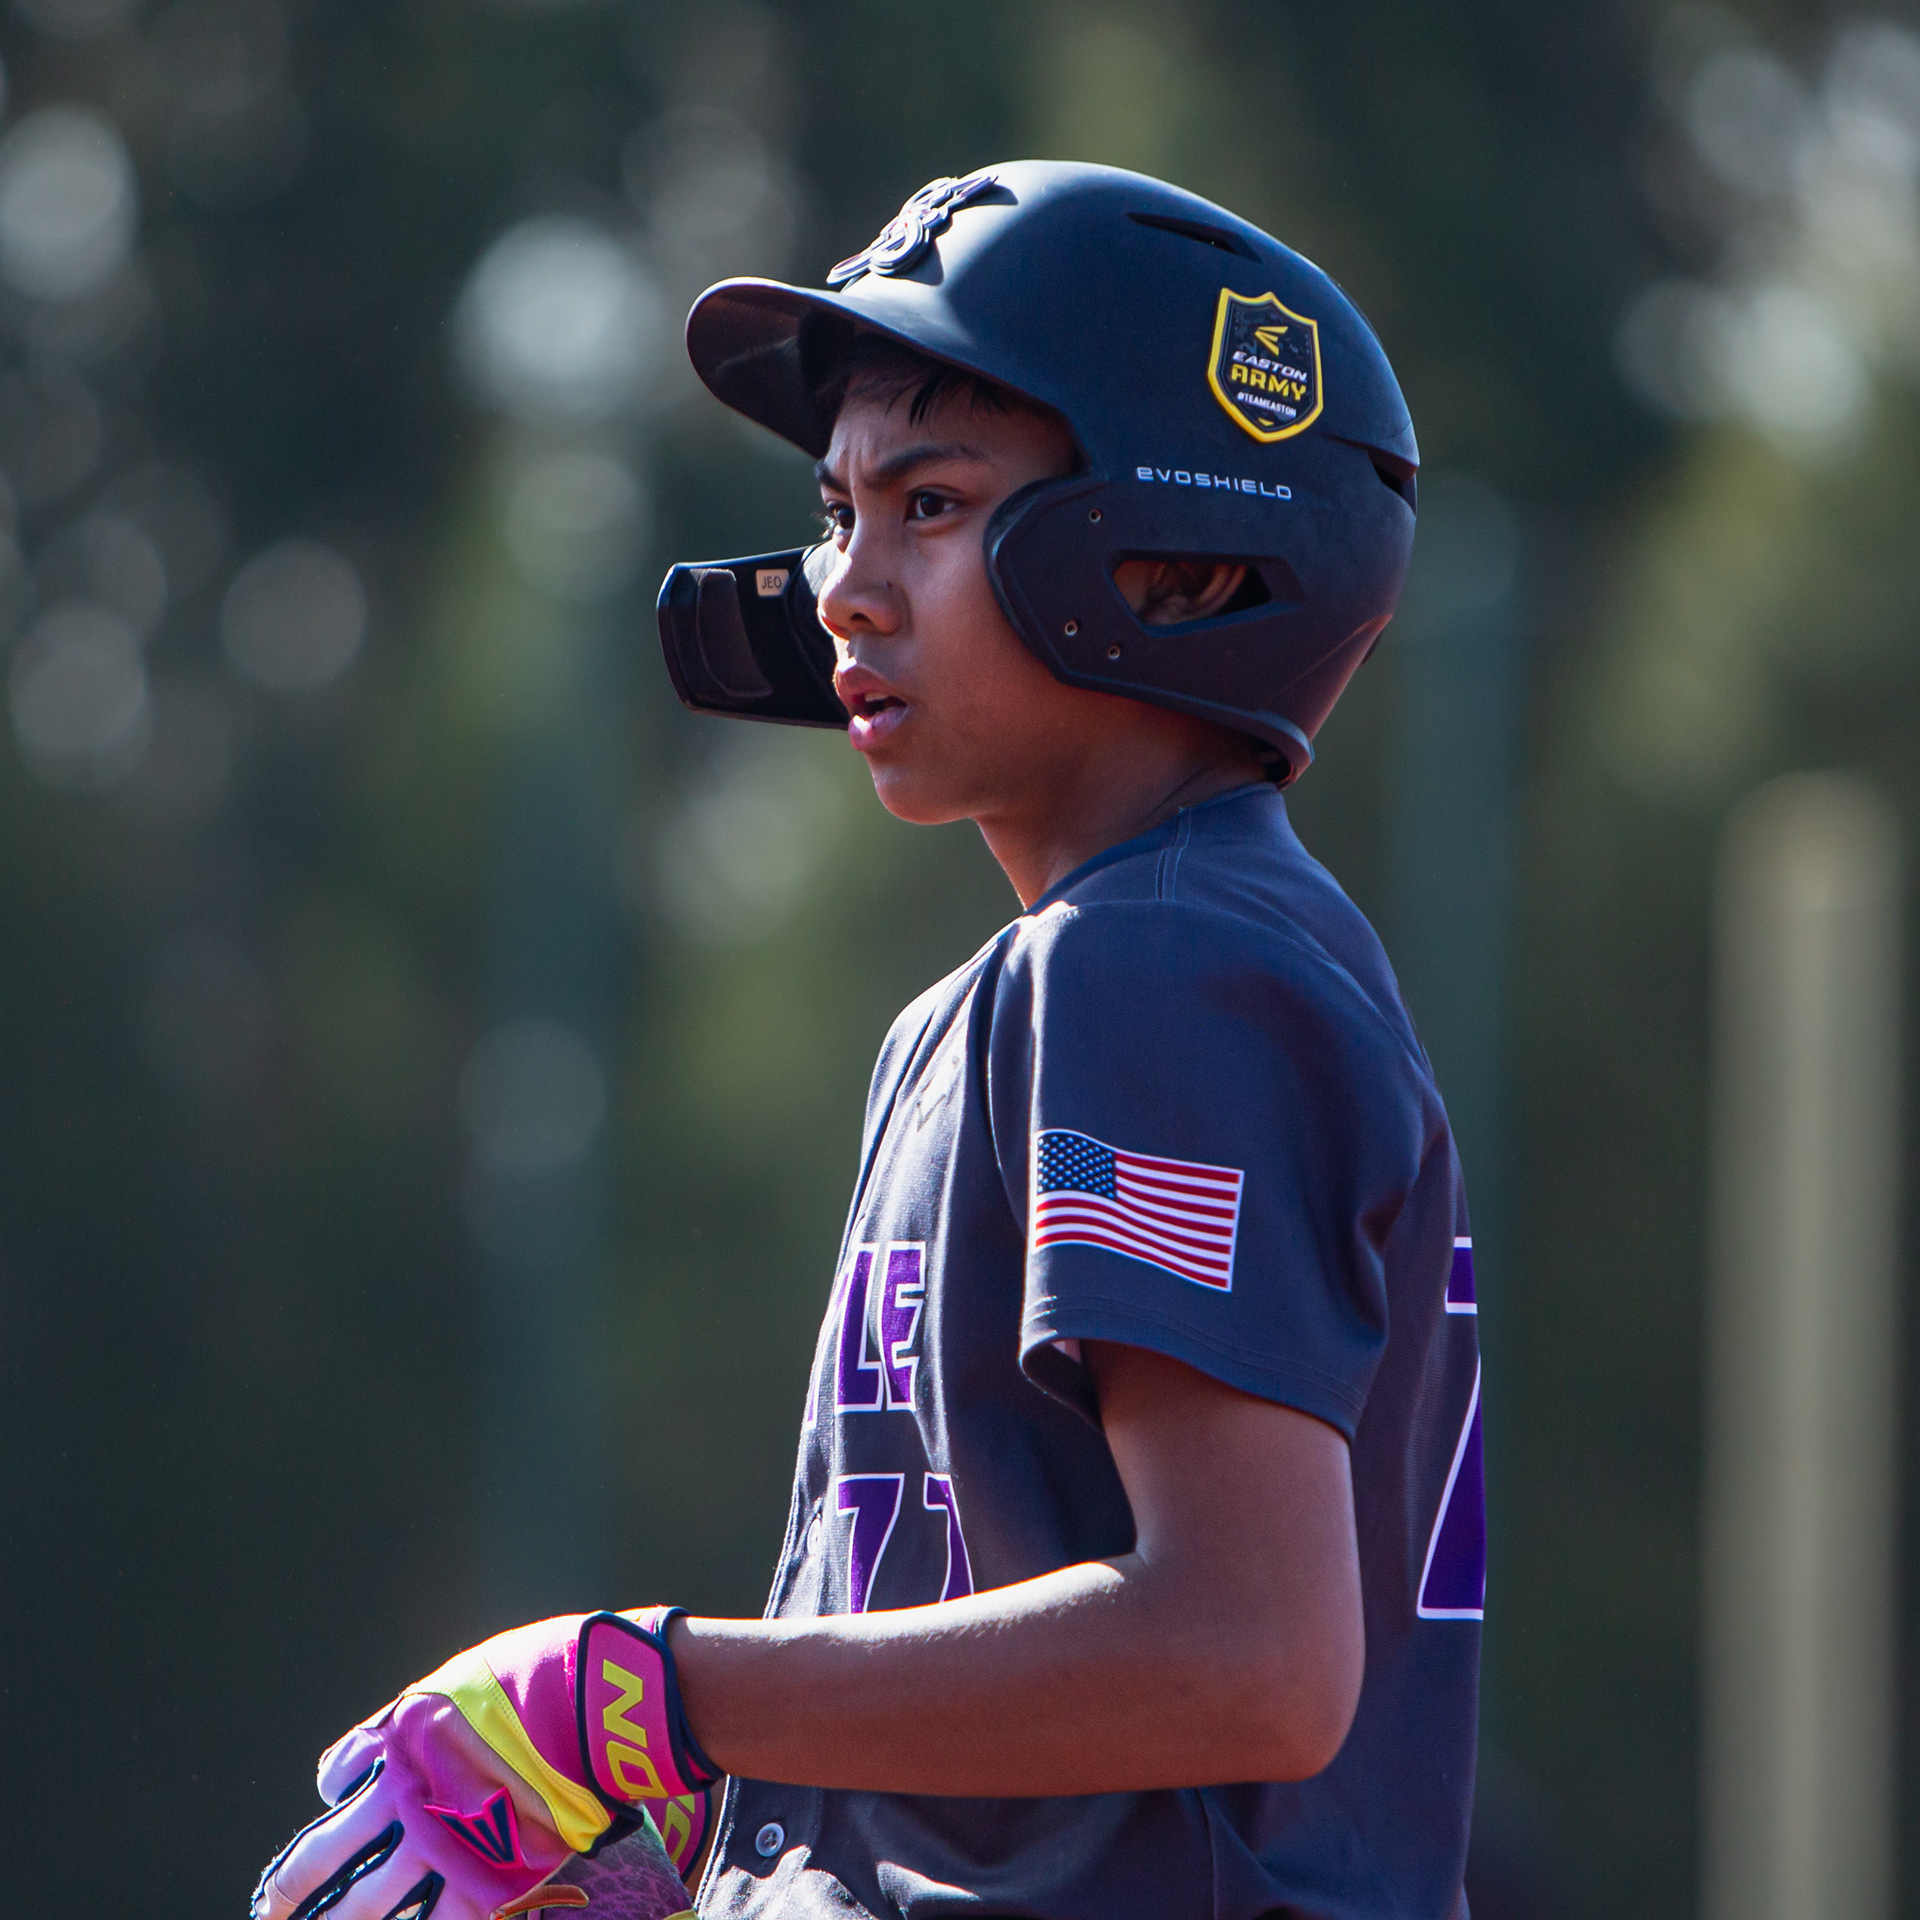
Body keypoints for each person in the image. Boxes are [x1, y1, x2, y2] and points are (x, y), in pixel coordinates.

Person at [253, 161, 1483, 1920]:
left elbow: (1249, 1655)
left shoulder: (1158, 961)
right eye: (837, 510)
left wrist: (644, 1700)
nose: (843, 585)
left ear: (1183, 564)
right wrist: (735, 1840)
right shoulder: (1049, 987)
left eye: (933, 504)